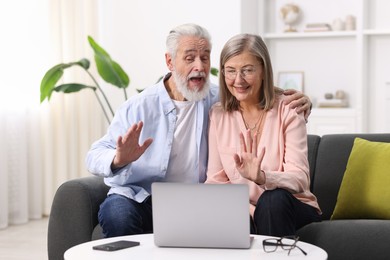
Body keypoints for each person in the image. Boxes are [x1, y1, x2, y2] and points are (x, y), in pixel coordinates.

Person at [85, 24, 313, 238]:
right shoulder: (140, 106)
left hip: (192, 201)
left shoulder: (217, 100)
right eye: (190, 58)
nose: (200, 66)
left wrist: (298, 100)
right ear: (170, 61)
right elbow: (94, 155)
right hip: (138, 197)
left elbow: (247, 88)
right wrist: (118, 159)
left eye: (205, 58)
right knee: (119, 216)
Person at [205, 33, 321, 237]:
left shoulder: (289, 109)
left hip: (291, 206)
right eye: (230, 71)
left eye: (247, 70)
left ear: (264, 72)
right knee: (231, 214)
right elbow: (216, 183)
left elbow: (299, 179)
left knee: (272, 200)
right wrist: (250, 210)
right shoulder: (218, 114)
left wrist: (263, 177)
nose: (238, 80)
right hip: (246, 210)